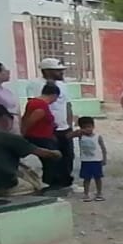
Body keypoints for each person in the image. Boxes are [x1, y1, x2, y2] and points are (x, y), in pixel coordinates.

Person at [0, 102, 57, 197]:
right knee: (32, 183)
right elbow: (45, 153)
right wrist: (57, 153)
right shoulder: (7, 137)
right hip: (0, 187)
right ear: (3, 118)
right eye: (11, 118)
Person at [38, 58, 75, 188]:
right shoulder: (36, 85)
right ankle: (51, 183)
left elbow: (68, 105)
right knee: (52, 157)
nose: (61, 73)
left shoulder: (63, 85)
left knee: (68, 156)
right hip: (48, 129)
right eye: (58, 71)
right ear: (47, 71)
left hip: (64, 127)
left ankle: (66, 182)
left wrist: (69, 125)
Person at [21, 83, 64, 188]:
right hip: (40, 138)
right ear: (54, 95)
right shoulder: (41, 106)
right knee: (51, 160)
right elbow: (31, 121)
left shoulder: (33, 102)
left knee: (50, 161)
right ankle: (48, 183)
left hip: (39, 136)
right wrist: (23, 133)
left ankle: (47, 182)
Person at [74, 115, 106, 201]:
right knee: (86, 179)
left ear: (93, 126)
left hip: (97, 161)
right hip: (86, 161)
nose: (87, 129)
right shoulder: (81, 136)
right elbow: (69, 136)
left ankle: (99, 193)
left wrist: (104, 159)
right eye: (84, 127)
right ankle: (86, 194)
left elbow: (103, 148)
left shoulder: (98, 136)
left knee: (98, 178)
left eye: (89, 127)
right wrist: (79, 131)